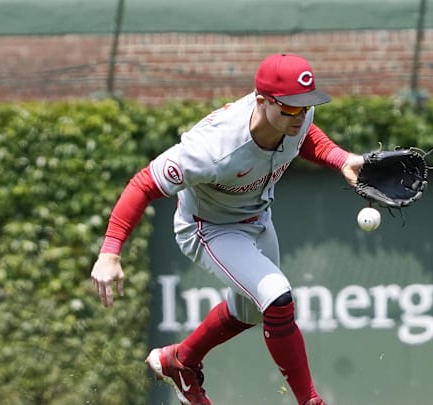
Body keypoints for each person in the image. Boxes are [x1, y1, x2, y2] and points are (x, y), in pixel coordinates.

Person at [91, 53, 365, 405]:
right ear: (262, 101)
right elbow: (144, 184)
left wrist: (340, 159)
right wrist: (110, 252)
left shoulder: (296, 113)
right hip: (210, 228)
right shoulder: (212, 149)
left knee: (250, 312)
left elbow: (304, 135)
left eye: (306, 104)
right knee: (278, 297)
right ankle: (310, 400)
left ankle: (181, 361)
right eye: (291, 108)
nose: (301, 114)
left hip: (257, 219)